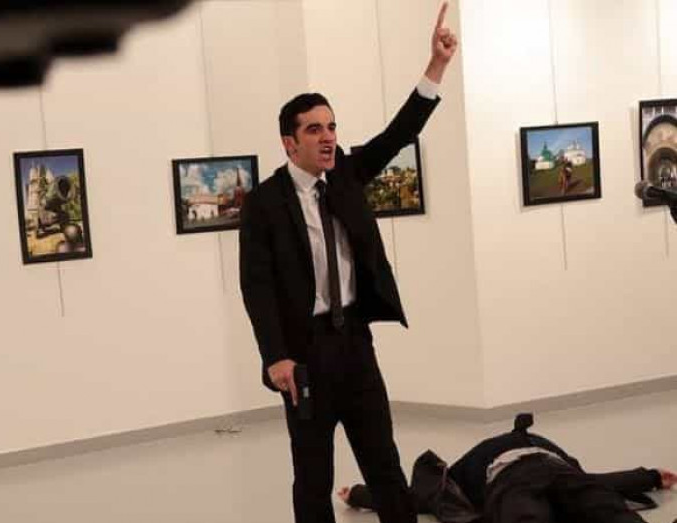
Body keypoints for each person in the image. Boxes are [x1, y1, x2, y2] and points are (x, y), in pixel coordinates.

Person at [238, 3, 457, 522]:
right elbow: (256, 285)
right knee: (313, 477)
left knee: (385, 467)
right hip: (304, 355)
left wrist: (436, 65)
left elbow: (399, 134)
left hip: (355, 343)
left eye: (332, 126)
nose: (328, 136)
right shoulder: (265, 203)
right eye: (315, 129)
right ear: (289, 142)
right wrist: (275, 357)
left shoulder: (347, 176)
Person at [338, 414, 677, 523]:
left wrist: (649, 477)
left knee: (600, 502)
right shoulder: (477, 461)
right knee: (590, 502)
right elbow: (417, 498)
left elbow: (420, 497)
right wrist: (361, 494)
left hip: (552, 471)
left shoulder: (479, 458)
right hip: (512, 476)